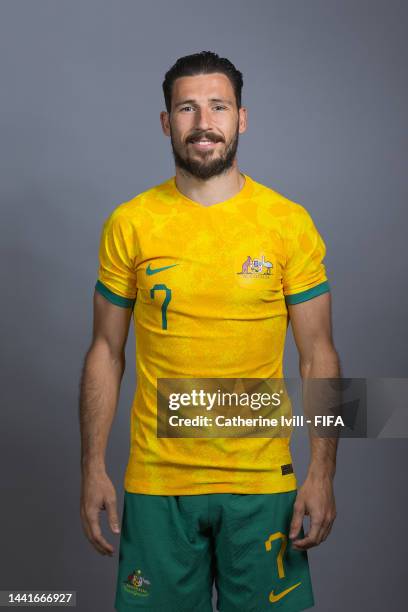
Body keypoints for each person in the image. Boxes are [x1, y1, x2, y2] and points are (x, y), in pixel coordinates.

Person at [79, 51, 340, 612]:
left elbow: (318, 355)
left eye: (218, 107)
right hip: (157, 486)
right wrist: (94, 466)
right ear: (166, 121)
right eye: (187, 108)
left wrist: (321, 473)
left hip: (264, 487)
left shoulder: (287, 223)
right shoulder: (131, 223)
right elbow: (105, 349)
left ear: (241, 118)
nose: (203, 123)